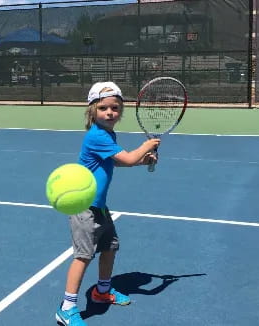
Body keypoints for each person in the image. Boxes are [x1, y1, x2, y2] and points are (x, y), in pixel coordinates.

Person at [55, 82, 161, 326]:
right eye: (103, 107)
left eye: (115, 107)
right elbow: (127, 156)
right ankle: (67, 307)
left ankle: (102, 291)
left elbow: (119, 161)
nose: (110, 112)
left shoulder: (107, 135)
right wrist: (145, 147)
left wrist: (142, 161)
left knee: (110, 247)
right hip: (84, 208)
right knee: (83, 256)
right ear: (92, 111)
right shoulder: (96, 135)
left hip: (99, 208)